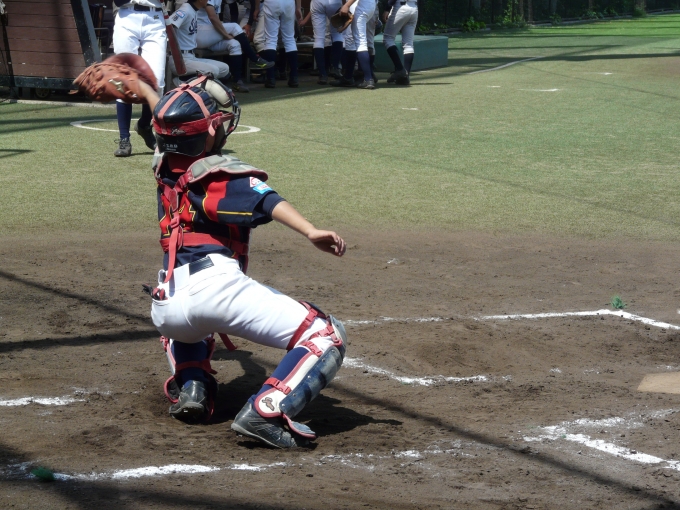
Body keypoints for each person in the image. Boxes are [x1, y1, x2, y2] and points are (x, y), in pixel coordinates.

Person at [144, 75, 348, 448]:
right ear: (207, 134)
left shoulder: (163, 167)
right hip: (214, 288)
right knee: (324, 334)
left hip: (167, 304)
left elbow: (166, 130)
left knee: (192, 324)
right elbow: (266, 201)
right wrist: (310, 231)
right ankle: (266, 411)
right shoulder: (217, 175)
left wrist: (143, 90)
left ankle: (193, 385)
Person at [111, 0, 167, 157]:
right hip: (127, 14)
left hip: (155, 16)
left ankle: (144, 125)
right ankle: (124, 139)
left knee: (156, 81)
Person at [195, 0, 275, 92]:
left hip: (208, 35)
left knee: (234, 44)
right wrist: (225, 34)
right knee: (234, 27)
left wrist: (225, 33)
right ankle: (255, 59)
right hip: (199, 33)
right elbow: (212, 17)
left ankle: (237, 82)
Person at [168, 0, 232, 84]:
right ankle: (181, 81)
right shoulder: (185, 9)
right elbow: (168, 27)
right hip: (179, 58)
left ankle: (193, 84)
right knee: (213, 71)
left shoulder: (193, 10)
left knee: (224, 68)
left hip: (191, 57)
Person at [251, 0, 302, 87]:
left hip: (272, 2)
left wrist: (256, 8)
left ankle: (270, 78)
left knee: (271, 40)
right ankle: (294, 77)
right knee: (290, 39)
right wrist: (298, 7)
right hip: (288, 3)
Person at [332, 0, 377, 89]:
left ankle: (368, 79)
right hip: (371, 5)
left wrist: (346, 5)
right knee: (363, 42)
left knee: (359, 43)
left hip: (359, 6)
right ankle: (350, 76)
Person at [382, 0, 417, 85]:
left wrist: (387, 9)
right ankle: (405, 77)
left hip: (401, 7)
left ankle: (400, 69)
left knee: (388, 38)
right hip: (414, 7)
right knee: (408, 44)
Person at [309, 0, 343, 84]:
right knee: (337, 34)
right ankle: (335, 67)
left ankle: (323, 74)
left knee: (318, 39)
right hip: (334, 2)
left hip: (317, 2)